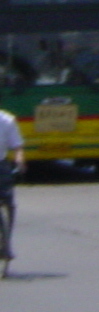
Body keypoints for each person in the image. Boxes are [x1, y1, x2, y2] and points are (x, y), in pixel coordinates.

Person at [0, 103, 21, 260]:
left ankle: (6, 244)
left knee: (9, 203)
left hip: (1, 165)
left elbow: (17, 146)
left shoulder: (7, 120)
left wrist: (20, 161)